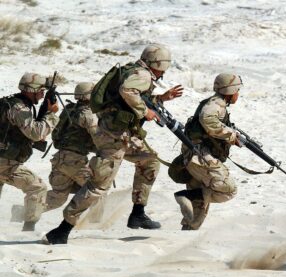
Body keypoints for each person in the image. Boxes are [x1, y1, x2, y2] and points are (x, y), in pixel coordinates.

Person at [43, 44, 184, 244]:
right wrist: (145, 112)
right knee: (99, 185)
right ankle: (61, 230)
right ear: (158, 64)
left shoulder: (133, 70)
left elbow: (129, 97)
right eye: (163, 68)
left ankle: (138, 212)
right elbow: (127, 91)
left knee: (150, 162)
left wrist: (161, 98)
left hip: (125, 136)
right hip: (113, 137)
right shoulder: (142, 75)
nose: (163, 72)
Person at [173, 73, 243, 230]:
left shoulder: (216, 103)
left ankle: (186, 234)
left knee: (196, 213)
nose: (238, 94)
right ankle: (184, 196)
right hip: (200, 157)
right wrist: (230, 135)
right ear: (230, 91)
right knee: (228, 189)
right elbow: (207, 119)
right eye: (237, 90)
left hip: (196, 156)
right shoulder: (216, 104)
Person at [0, 73, 59, 231]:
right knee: (37, 187)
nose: (42, 95)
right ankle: (28, 228)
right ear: (30, 90)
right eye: (40, 91)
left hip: (5, 159)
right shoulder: (19, 108)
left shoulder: (11, 102)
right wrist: (51, 114)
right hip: (5, 162)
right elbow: (36, 133)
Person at [44, 82, 98, 212]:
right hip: (75, 161)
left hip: (59, 158)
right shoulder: (88, 115)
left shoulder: (68, 109)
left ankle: (25, 210)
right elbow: (99, 138)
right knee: (96, 190)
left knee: (57, 197)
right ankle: (96, 224)